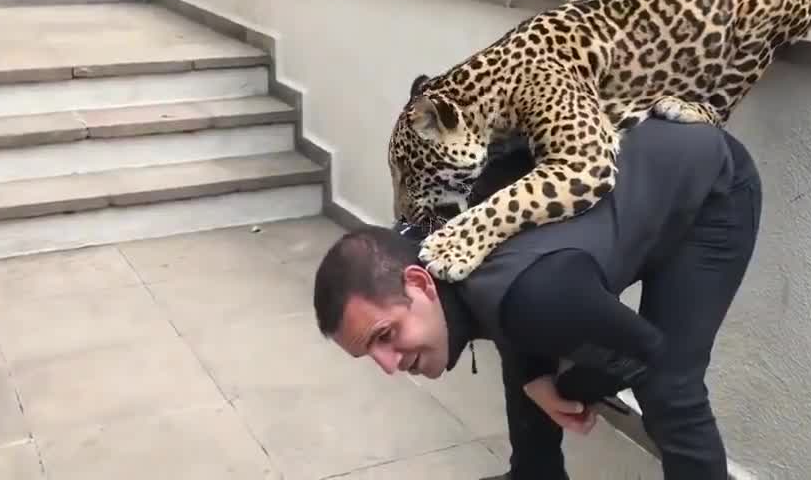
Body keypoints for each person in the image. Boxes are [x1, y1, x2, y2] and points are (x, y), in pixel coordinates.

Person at [313, 116, 762, 479]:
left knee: (671, 387)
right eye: (371, 353)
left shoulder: (536, 293)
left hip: (710, 190)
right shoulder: (461, 260)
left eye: (385, 335)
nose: (389, 365)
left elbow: (650, 357)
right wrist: (534, 380)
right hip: (619, 209)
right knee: (528, 350)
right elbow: (513, 324)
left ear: (421, 282)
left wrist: (568, 389)